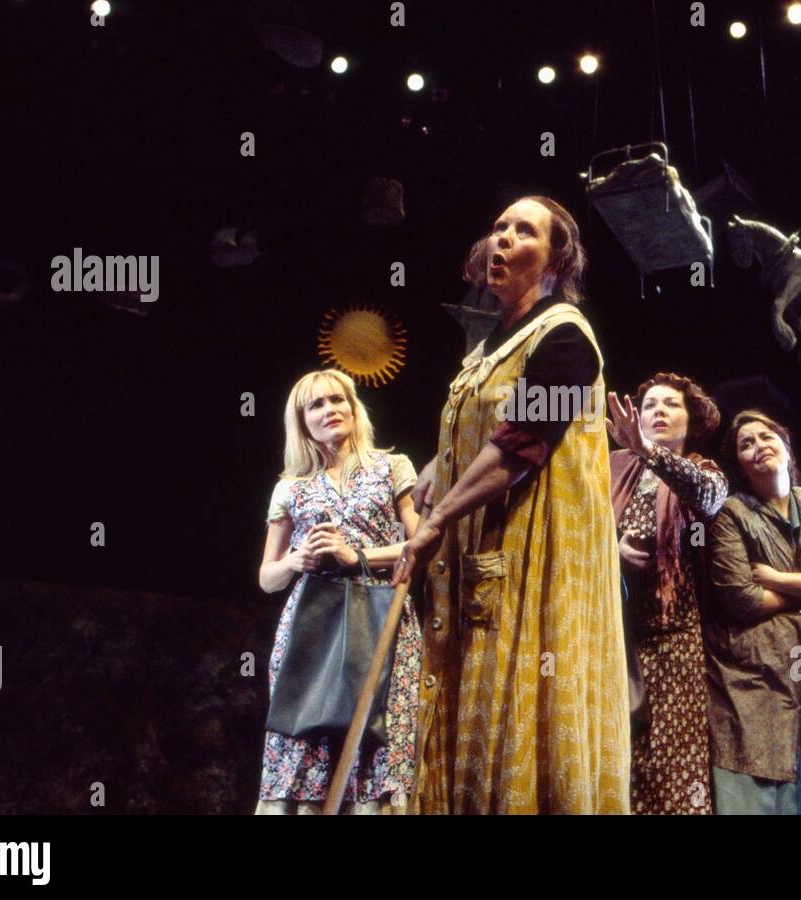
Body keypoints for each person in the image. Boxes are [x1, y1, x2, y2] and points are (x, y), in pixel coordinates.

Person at [393, 195, 630, 814]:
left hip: (540, 567)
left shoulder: (566, 338)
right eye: (497, 226)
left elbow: (521, 445)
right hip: (485, 565)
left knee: (525, 713)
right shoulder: (488, 346)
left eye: (523, 231)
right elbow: (485, 427)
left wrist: (437, 518)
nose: (501, 239)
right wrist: (436, 466)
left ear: (555, 258)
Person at [255, 368, 421, 815]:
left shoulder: (392, 467)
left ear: (353, 407)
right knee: (305, 740)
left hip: (380, 618)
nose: (330, 410)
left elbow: (422, 543)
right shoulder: (291, 488)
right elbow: (266, 577)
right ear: (302, 421)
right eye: (316, 405)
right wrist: (296, 560)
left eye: (337, 400)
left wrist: (358, 556)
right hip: (313, 625)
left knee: (376, 737)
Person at [704, 409, 801, 815]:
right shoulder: (731, 515)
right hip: (747, 681)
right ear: (737, 462)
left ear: (786, 446)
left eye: (766, 436)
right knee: (749, 788)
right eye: (746, 444)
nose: (759, 447)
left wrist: (775, 577)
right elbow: (743, 599)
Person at [607, 373, 727, 814]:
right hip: (613, 638)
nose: (658, 411)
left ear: (691, 419)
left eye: (670, 405)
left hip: (674, 642)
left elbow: (707, 497)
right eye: (650, 404)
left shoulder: (704, 470)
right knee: (621, 764)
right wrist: (610, 548)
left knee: (674, 765)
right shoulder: (613, 467)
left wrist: (647, 450)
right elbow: (576, 527)